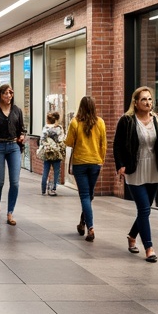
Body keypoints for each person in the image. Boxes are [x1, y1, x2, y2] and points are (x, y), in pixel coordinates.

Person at [113, 86, 158, 262]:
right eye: (144, 99)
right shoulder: (127, 120)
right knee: (144, 209)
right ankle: (149, 247)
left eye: (150, 99)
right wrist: (120, 165)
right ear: (136, 103)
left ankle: (132, 236)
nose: (148, 102)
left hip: (154, 168)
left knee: (145, 210)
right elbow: (118, 145)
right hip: (135, 168)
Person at [64, 97, 107, 241]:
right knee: (89, 195)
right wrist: (101, 160)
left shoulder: (75, 122)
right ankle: (82, 223)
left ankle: (90, 227)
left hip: (80, 163)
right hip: (95, 162)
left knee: (85, 196)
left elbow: (69, 142)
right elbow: (104, 144)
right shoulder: (100, 122)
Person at [0, 83, 26, 225]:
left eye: (11, 93)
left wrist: (22, 136)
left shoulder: (17, 110)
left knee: (14, 182)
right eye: (6, 93)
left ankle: (10, 213)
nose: (9, 96)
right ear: (0, 95)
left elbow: (22, 129)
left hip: (13, 147)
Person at [38, 110, 66, 195]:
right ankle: (53, 189)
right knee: (56, 171)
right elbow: (61, 140)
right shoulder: (59, 128)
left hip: (47, 151)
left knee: (46, 170)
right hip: (56, 152)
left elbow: (42, 139)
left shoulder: (46, 127)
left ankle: (43, 188)